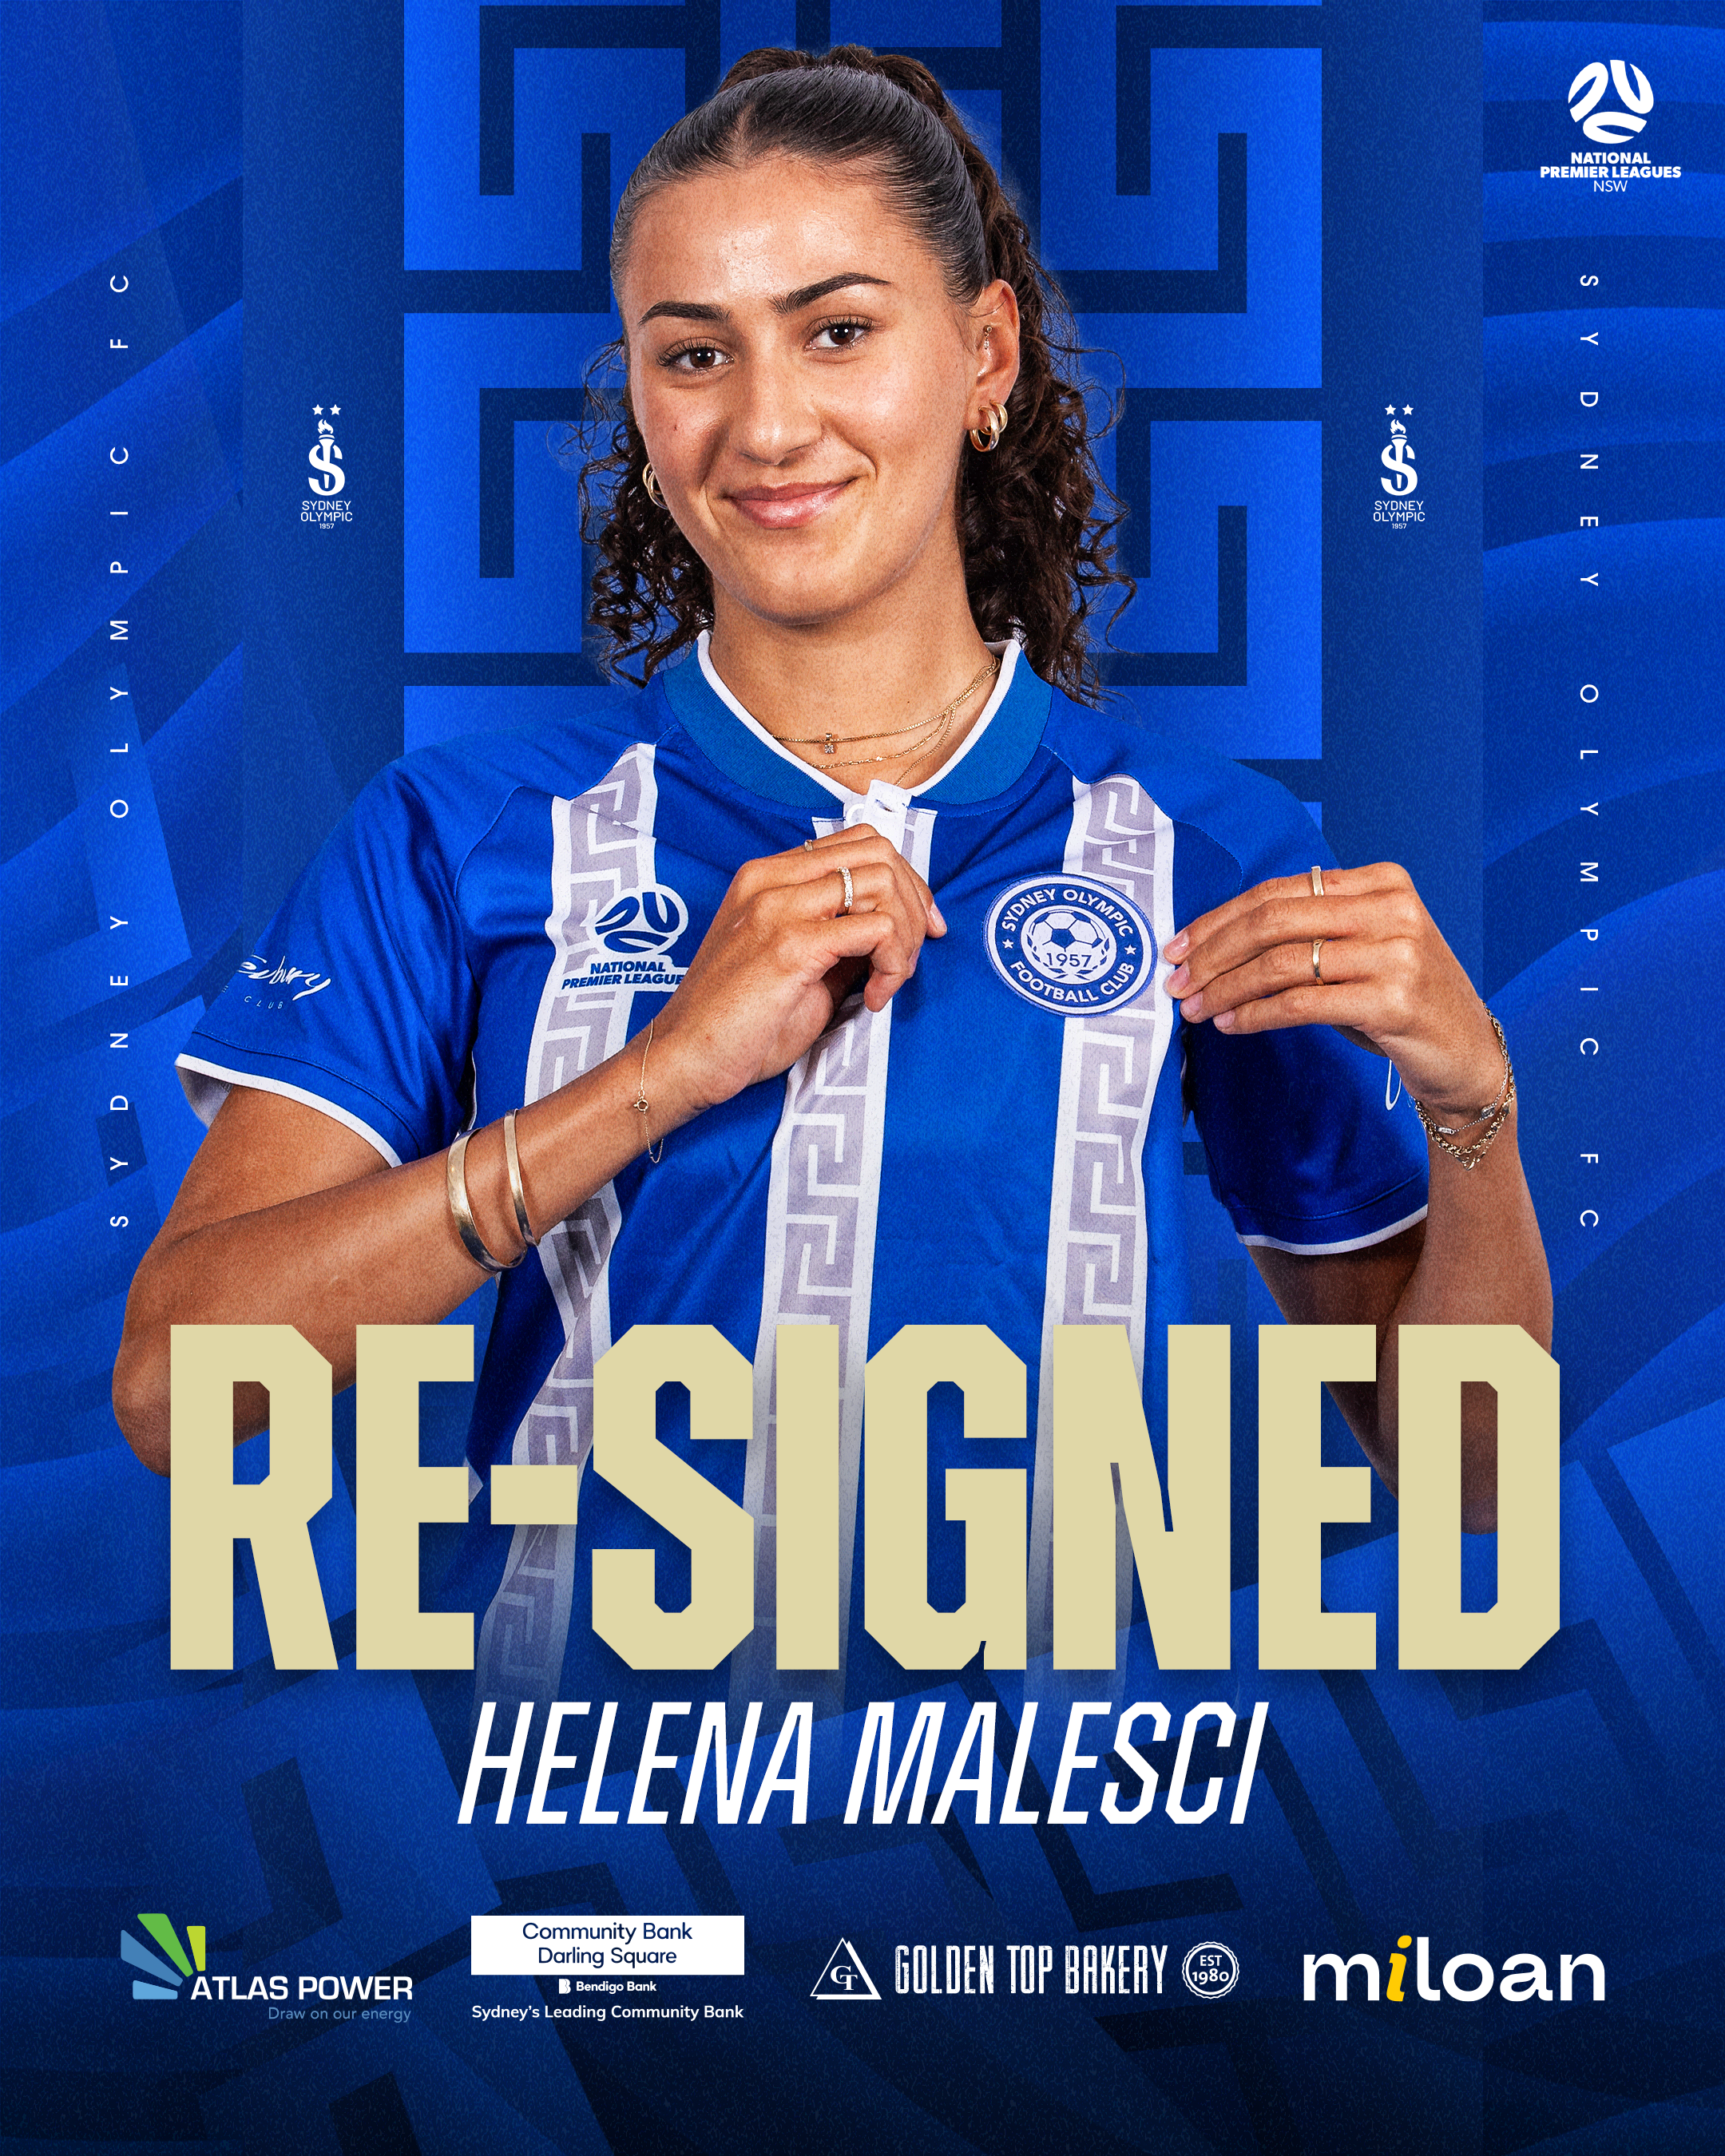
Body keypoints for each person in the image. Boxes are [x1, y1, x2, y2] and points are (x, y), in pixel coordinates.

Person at [113, 48, 1549, 1703]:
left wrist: (1480, 1112)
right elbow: (175, 1387)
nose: (767, 421)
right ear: (644, 409)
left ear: (987, 353)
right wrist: (657, 1076)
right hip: (586, 1872)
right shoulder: (460, 831)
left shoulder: (1206, 856)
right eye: (693, 355)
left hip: (1047, 1882)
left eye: (839, 329)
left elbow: (1470, 1488)